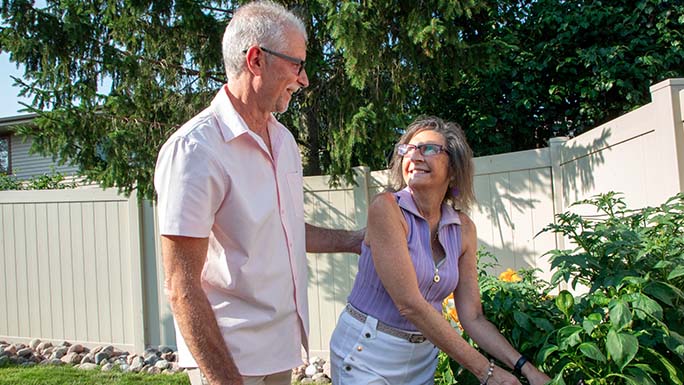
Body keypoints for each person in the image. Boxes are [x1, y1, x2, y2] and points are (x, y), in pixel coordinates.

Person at [154, 2, 362, 384]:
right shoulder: (196, 150)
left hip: (280, 349)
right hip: (230, 358)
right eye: (297, 64)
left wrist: (356, 241)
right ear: (256, 60)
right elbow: (180, 285)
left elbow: (283, 230)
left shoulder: (283, 141)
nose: (304, 79)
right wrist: (225, 379)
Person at [329, 116, 551, 385]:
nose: (416, 156)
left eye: (429, 149)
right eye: (408, 149)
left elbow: (473, 317)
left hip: (422, 360)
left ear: (454, 168)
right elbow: (409, 305)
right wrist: (486, 372)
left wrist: (525, 367)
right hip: (368, 353)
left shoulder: (463, 229)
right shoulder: (387, 209)